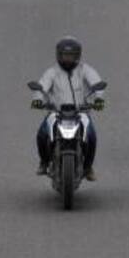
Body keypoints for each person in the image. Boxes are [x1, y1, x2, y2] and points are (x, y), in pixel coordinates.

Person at [31, 37, 105, 181]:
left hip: (81, 112)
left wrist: (98, 100)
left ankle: (88, 168)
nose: (67, 59)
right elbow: (42, 87)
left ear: (77, 56)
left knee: (91, 136)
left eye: (71, 56)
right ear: (59, 55)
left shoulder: (85, 70)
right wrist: (38, 100)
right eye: (65, 56)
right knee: (41, 134)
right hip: (56, 112)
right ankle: (44, 162)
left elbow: (97, 84)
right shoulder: (52, 72)